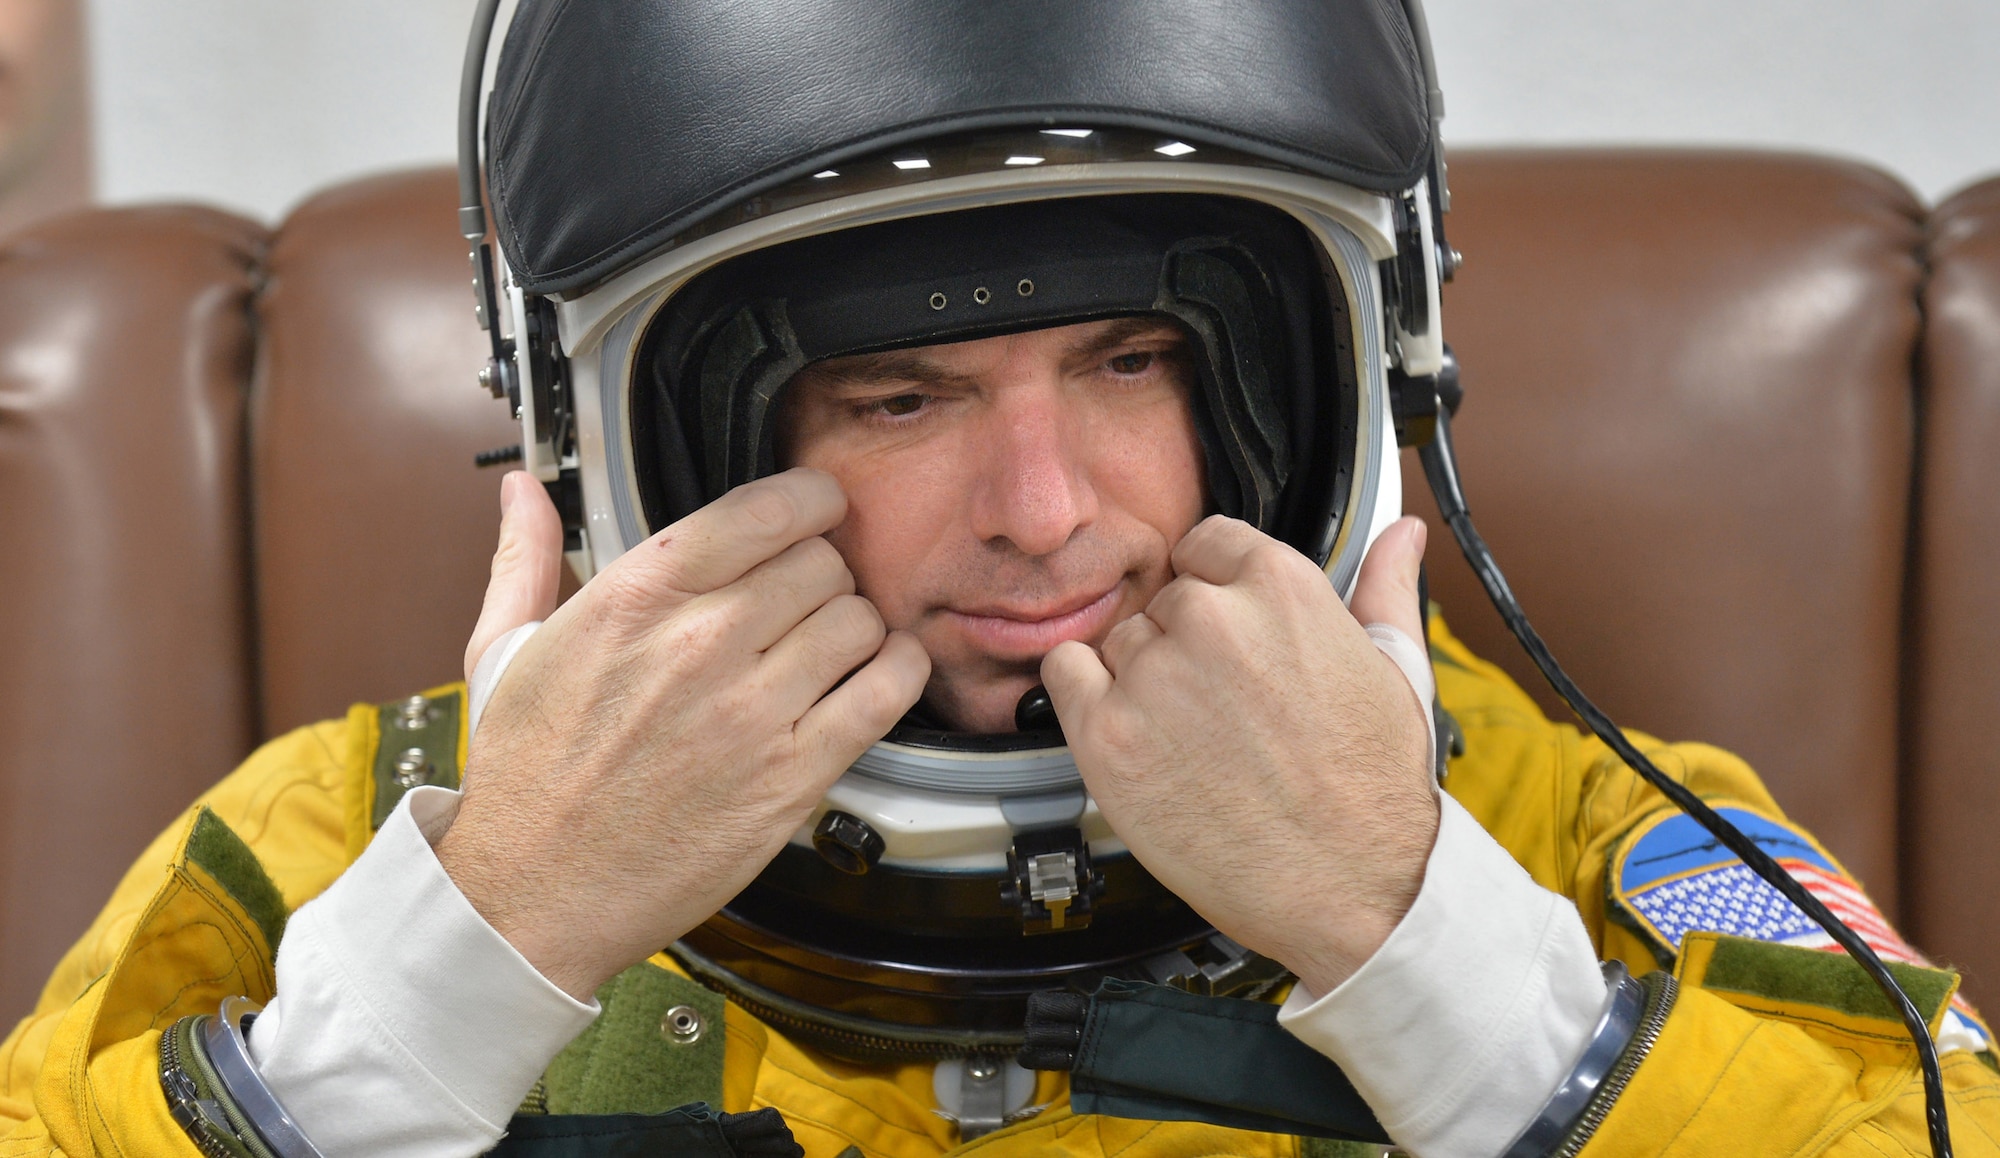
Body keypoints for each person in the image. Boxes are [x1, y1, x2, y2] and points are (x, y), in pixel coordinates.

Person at [3, 3, 1997, 1157]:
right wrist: (468, 958)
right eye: (896, 395)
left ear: (1328, 384)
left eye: (1130, 362)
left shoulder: (1583, 838)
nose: (1045, 509)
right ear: (642, 451)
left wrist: (1421, 949)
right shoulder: (330, 859)